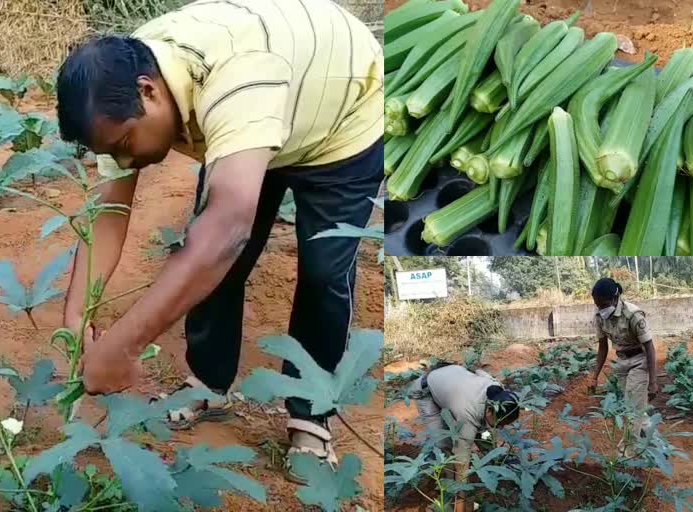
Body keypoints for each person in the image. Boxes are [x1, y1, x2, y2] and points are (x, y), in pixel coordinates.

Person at [55, 0, 383, 481]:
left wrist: (123, 346)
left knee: (322, 270)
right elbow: (107, 214)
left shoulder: (238, 73)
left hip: (339, 121)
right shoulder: (118, 88)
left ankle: (311, 415)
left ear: (149, 92)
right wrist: (75, 321)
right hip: (250, 117)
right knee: (208, 255)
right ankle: (208, 381)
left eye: (125, 146)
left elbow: (228, 230)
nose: (123, 164)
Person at [409, 363, 520, 512]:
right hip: (426, 392)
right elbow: (462, 457)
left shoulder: (496, 388)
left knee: (486, 436)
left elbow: (479, 371)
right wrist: (461, 498)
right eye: (500, 423)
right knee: (444, 445)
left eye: (506, 423)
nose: (501, 428)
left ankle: (496, 465)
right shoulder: (467, 413)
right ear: (489, 411)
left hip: (452, 378)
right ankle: (450, 489)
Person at [588, 277, 659, 456]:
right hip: (621, 363)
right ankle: (657, 444)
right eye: (597, 305)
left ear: (614, 298)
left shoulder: (633, 315)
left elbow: (650, 348)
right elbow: (603, 346)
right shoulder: (599, 317)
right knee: (636, 407)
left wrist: (653, 381)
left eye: (603, 304)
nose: (601, 309)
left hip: (639, 361)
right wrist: (594, 376)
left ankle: (626, 452)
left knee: (632, 409)